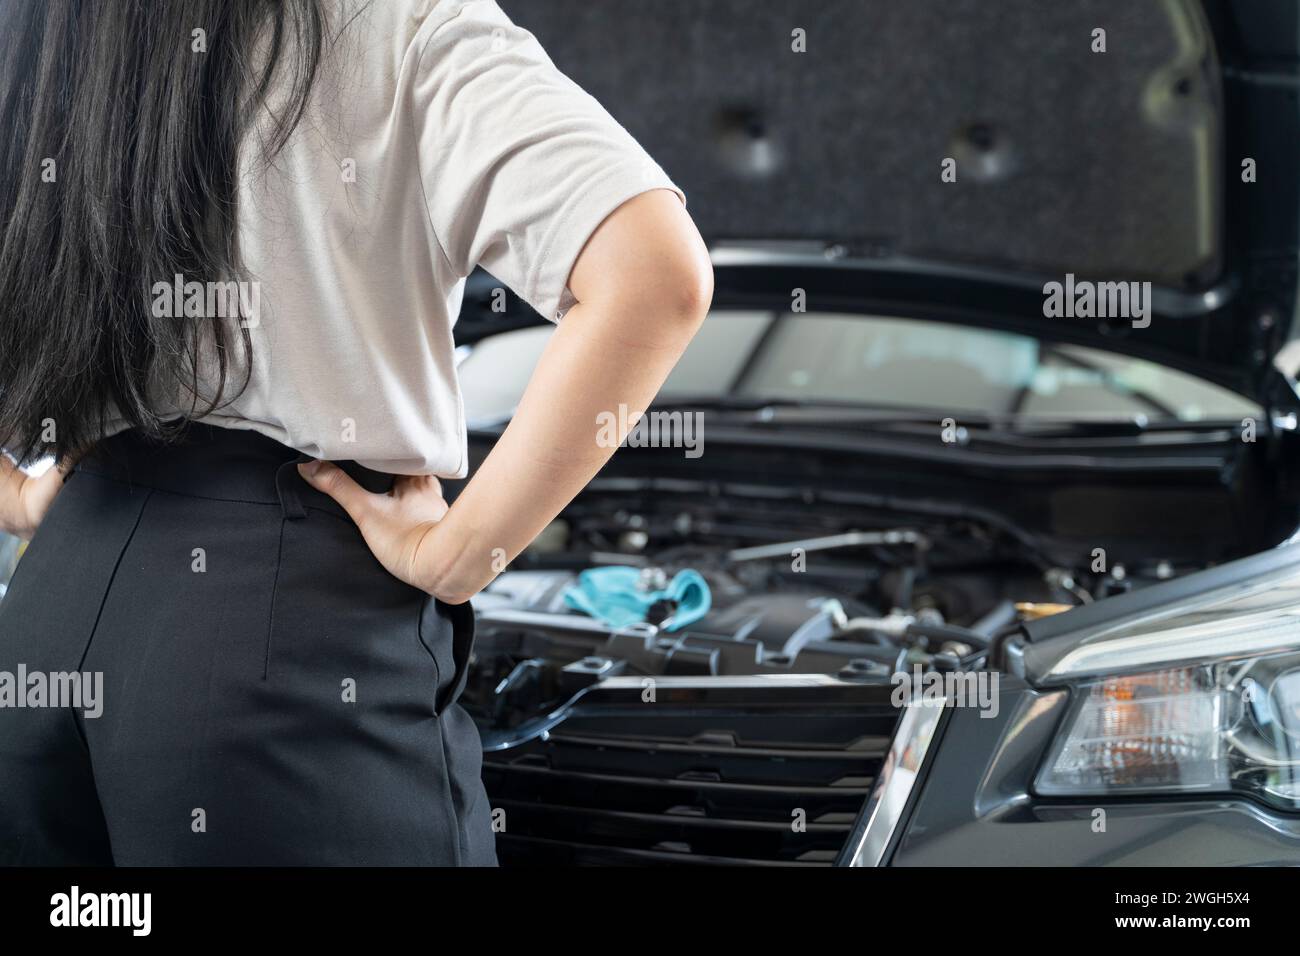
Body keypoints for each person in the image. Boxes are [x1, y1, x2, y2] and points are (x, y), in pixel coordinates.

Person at [0, 0, 711, 865]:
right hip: (287, 628)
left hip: (46, 620)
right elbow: (655, 273)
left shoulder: (48, 30)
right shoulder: (394, 19)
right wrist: (460, 555)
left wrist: (28, 496)